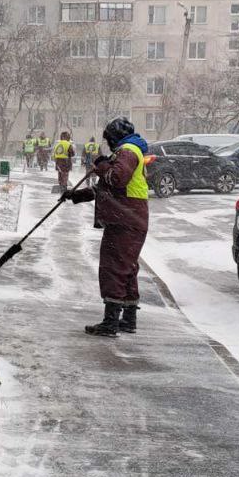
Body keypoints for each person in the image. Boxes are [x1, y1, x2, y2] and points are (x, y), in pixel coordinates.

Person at [62, 117, 148, 337]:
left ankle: (110, 323)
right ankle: (128, 319)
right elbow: (106, 189)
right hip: (130, 218)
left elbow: (116, 178)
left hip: (125, 221)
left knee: (113, 268)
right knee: (126, 268)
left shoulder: (127, 152)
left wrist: (101, 165)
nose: (107, 142)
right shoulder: (128, 151)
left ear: (114, 136)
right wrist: (75, 195)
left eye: (108, 138)